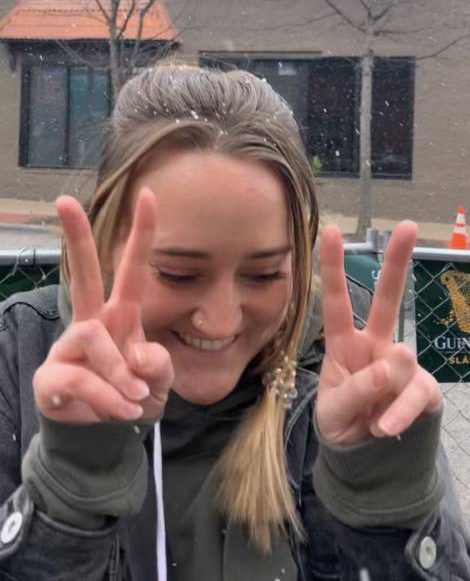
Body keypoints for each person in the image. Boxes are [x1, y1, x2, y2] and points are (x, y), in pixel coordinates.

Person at [0, 64, 467, 581]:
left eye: (264, 275)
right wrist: (66, 497)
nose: (219, 321)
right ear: (103, 240)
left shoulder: (349, 383)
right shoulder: (17, 353)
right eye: (179, 274)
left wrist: (390, 520)